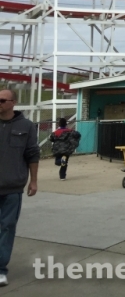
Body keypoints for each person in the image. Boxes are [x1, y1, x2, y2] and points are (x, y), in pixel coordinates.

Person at [0, 89, 39, 287]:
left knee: (7, 227)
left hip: (12, 187)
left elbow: (32, 154)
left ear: (13, 102)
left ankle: (0, 269)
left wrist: (34, 181)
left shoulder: (26, 126)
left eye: (2, 100)